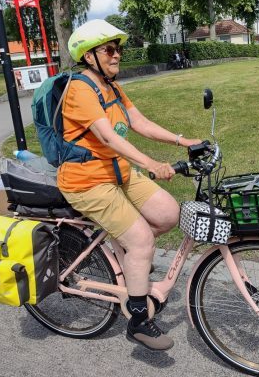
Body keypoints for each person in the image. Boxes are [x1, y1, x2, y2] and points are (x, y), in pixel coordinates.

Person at [61, 19, 202, 351]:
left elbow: (138, 122)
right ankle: (138, 320)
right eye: (109, 49)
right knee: (140, 242)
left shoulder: (111, 86)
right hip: (88, 181)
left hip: (117, 173)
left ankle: (131, 260)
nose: (116, 54)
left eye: (118, 48)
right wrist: (151, 163)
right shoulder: (80, 89)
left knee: (169, 214)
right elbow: (108, 137)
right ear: (88, 55)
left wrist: (184, 141)